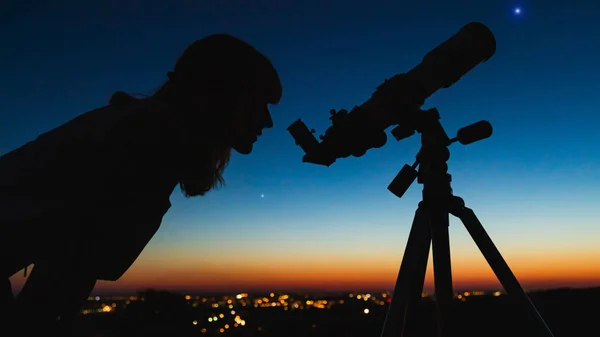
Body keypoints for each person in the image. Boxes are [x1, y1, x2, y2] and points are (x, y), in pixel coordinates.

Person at [0, 33, 282, 334]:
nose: (267, 121)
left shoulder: (142, 126)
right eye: (257, 103)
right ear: (219, 96)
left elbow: (71, 261)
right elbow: (73, 267)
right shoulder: (153, 139)